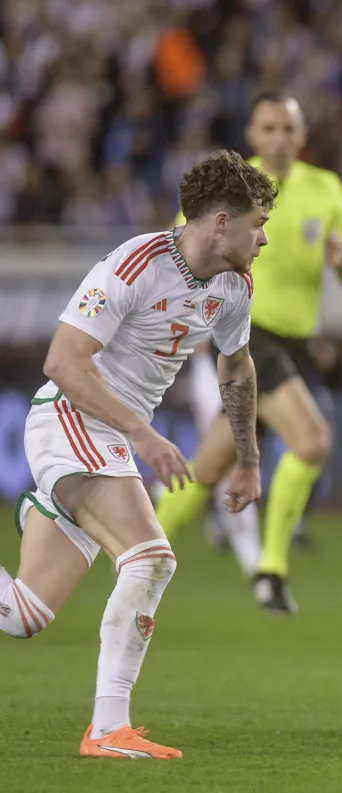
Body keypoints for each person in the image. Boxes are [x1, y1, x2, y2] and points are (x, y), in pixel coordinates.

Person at [2, 150, 273, 758]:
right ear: (222, 222)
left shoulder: (234, 285)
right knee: (151, 558)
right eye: (257, 224)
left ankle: (108, 728)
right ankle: (107, 729)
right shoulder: (135, 264)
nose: (263, 239)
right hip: (72, 419)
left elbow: (236, 367)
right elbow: (62, 362)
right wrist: (144, 435)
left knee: (24, 614)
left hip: (112, 438)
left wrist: (248, 459)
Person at [155, 92, 342, 614]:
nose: (279, 138)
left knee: (209, 467)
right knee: (312, 441)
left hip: (296, 345)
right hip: (247, 336)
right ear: (252, 134)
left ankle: (135, 544)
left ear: (302, 134)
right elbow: (179, 245)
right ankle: (271, 569)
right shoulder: (229, 185)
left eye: (288, 128)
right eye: (269, 128)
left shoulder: (326, 188)